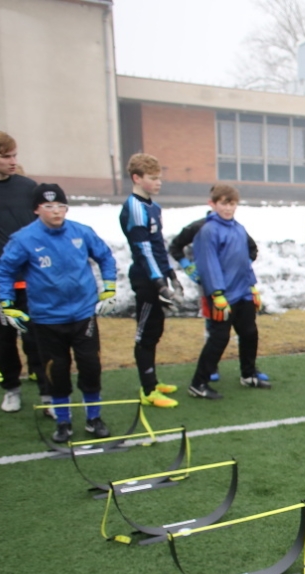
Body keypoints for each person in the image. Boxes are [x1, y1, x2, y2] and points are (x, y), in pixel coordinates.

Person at [0, 184, 117, 443]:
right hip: (47, 318)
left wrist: (109, 286)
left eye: (60, 205)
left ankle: (94, 418)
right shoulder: (24, 239)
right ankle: (63, 421)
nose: (56, 211)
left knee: (91, 365)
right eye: (49, 206)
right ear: (37, 209)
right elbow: (5, 270)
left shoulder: (81, 232)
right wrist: (7, 303)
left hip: (83, 315)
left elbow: (105, 256)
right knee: (56, 370)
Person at [0, 128, 49, 413]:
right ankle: (11, 389)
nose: (12, 161)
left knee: (36, 337)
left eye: (15, 155)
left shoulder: (28, 187)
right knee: (3, 338)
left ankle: (48, 394)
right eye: (5, 157)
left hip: (32, 278)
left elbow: (44, 230)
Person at [169, 195, 265, 386]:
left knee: (249, 333)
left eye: (232, 203)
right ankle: (202, 379)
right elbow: (184, 251)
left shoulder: (238, 228)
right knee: (218, 336)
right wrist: (191, 269)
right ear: (212, 203)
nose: (228, 208)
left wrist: (249, 283)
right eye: (223, 203)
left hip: (241, 290)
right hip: (217, 291)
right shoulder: (203, 229)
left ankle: (248, 374)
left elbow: (248, 253)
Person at [120, 153, 181, 409]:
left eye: (159, 178)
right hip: (145, 280)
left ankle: (153, 381)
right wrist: (158, 283)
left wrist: (172, 275)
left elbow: (158, 246)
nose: (158, 183)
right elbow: (143, 251)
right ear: (137, 178)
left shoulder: (153, 207)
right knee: (144, 333)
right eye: (153, 178)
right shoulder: (133, 207)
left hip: (158, 275)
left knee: (155, 330)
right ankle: (147, 390)